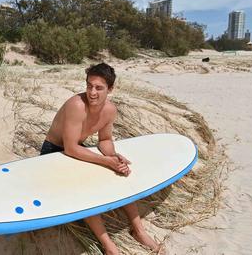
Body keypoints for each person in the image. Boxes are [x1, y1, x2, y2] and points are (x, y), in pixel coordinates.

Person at [40, 63, 161, 255]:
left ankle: (138, 230)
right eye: (89, 86)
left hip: (77, 150)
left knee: (119, 174)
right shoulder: (76, 105)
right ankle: (108, 245)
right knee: (84, 189)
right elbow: (70, 148)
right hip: (54, 152)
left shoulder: (110, 110)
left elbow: (104, 140)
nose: (92, 92)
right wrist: (106, 161)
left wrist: (113, 157)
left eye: (99, 88)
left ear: (110, 89)